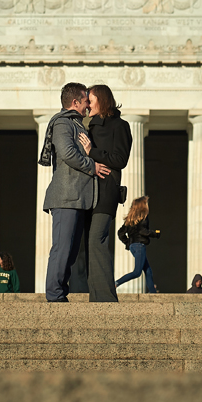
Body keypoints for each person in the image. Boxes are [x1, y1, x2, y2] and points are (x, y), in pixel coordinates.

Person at [39, 82, 109, 303]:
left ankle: (60, 293)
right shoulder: (62, 123)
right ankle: (54, 295)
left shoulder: (78, 124)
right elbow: (68, 153)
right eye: (86, 100)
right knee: (62, 249)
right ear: (75, 102)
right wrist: (93, 166)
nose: (89, 104)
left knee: (69, 252)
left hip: (78, 198)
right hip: (66, 197)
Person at [74, 83, 131, 303]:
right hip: (88, 191)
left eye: (91, 98)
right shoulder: (87, 127)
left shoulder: (120, 126)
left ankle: (107, 298)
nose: (87, 103)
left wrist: (93, 152)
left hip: (106, 191)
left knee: (97, 239)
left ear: (102, 100)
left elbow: (120, 160)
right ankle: (96, 297)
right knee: (89, 243)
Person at [115, 195, 160, 293]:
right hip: (139, 245)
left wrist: (128, 243)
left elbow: (120, 233)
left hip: (133, 246)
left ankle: (153, 293)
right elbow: (143, 231)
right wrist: (155, 234)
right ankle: (116, 283)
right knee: (137, 272)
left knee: (148, 271)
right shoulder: (143, 217)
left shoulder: (130, 219)